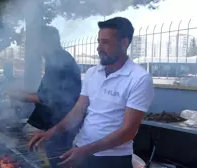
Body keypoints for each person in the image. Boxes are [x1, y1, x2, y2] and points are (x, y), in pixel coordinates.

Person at [28, 17, 155, 168]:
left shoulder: (139, 78)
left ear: (124, 43)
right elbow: (77, 112)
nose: (99, 48)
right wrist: (51, 132)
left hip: (112, 159)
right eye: (98, 42)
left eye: (106, 42)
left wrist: (86, 151)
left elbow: (128, 131)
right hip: (81, 149)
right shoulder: (92, 73)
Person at [8, 26, 82, 167]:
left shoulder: (59, 60)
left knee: (55, 161)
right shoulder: (56, 58)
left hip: (59, 123)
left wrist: (19, 95)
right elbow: (47, 93)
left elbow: (47, 98)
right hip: (55, 122)